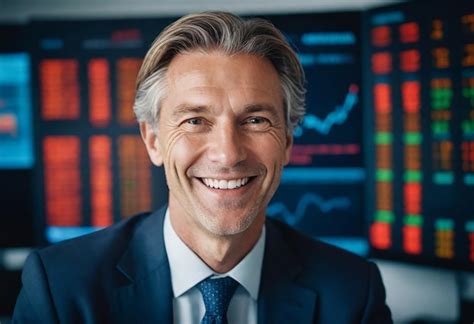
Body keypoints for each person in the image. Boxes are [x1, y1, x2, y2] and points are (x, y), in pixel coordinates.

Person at [13, 12, 392, 323]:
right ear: (153, 140)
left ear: (288, 141)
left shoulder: (353, 294)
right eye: (195, 121)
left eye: (256, 120)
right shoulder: (62, 290)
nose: (227, 155)